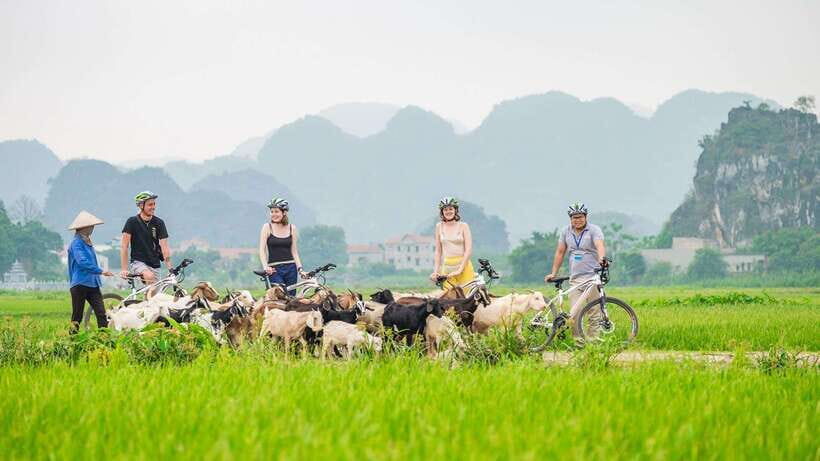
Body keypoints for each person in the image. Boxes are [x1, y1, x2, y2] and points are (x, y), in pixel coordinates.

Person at [544, 202, 607, 336]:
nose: (577, 220)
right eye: (574, 217)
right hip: (576, 279)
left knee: (594, 313)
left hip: (592, 278)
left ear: (586, 217)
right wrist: (554, 273)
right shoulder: (565, 231)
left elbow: (599, 245)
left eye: (580, 217)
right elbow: (560, 252)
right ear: (570, 218)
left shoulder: (594, 230)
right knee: (575, 314)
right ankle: (579, 345)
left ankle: (593, 345)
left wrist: (602, 259)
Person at [67, 211, 113, 333]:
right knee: (77, 317)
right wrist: (101, 271)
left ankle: (104, 340)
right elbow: (82, 262)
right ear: (83, 227)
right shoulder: (76, 243)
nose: (92, 228)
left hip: (93, 284)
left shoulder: (87, 241)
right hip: (80, 284)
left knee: (101, 314)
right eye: (91, 226)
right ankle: (72, 341)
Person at [119, 191, 172, 284]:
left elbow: (165, 247)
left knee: (155, 296)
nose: (153, 207)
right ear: (141, 206)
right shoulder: (132, 222)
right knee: (149, 276)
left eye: (154, 204)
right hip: (138, 263)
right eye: (150, 205)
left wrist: (170, 268)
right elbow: (124, 246)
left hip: (155, 264)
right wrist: (124, 269)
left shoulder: (159, 223)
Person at [258, 198, 305, 296]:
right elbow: (262, 250)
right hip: (274, 270)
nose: (273, 214)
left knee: (291, 299)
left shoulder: (292, 228)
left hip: (291, 268)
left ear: (284, 213)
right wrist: (266, 267)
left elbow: (294, 252)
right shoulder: (267, 227)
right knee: (279, 295)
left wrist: (300, 269)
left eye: (276, 211)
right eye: (272, 212)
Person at [429, 197, 476, 290]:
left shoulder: (463, 226)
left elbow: (468, 250)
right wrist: (436, 271)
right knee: (449, 300)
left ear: (455, 210)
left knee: (467, 298)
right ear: (442, 212)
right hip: (447, 267)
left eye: (451, 209)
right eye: (445, 209)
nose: (448, 212)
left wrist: (460, 270)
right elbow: (438, 251)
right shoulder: (439, 226)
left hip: (463, 266)